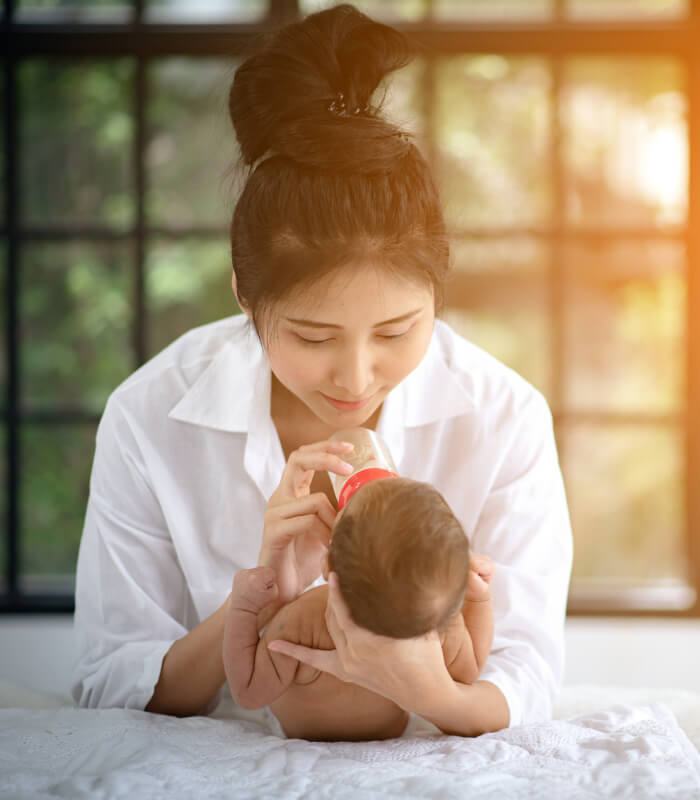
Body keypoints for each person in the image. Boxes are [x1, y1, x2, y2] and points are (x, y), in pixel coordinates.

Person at [71, 2, 573, 736]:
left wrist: (430, 683)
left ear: (437, 294)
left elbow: (525, 675)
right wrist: (263, 594)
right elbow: (109, 680)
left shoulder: (504, 416)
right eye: (312, 336)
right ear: (245, 295)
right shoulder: (150, 415)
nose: (357, 377)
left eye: (398, 331)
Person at [223, 475, 496, 740]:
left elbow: (248, 692)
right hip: (390, 736)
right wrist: (478, 599)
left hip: (303, 740)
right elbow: (469, 671)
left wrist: (243, 610)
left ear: (327, 565)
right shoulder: (434, 630)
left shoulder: (302, 623)